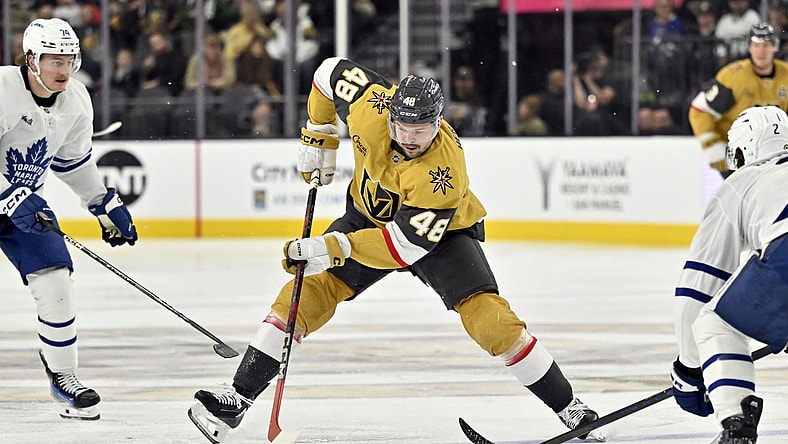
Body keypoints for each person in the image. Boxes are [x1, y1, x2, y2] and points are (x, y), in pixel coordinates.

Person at [187, 57, 605, 443]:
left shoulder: (442, 173)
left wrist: (331, 246)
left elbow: (403, 246)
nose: (409, 138)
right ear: (389, 114)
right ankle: (238, 397)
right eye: (402, 128)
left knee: (491, 323)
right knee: (306, 291)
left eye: (421, 130)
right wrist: (319, 132)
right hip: (368, 216)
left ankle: (571, 408)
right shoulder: (372, 105)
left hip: (440, 236)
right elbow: (328, 72)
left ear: (438, 123)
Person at [0, 18, 138, 420]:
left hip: (23, 207)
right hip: (16, 199)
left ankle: (64, 377)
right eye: (54, 60)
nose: (64, 69)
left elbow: (71, 162)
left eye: (70, 60)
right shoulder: (3, 89)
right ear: (30, 59)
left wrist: (102, 202)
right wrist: (10, 194)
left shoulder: (76, 99)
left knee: (57, 279)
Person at [670, 105, 788, 444]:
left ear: (746, 148)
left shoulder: (739, 183)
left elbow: (698, 287)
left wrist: (691, 370)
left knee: (714, 323)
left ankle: (737, 422)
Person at [689, 22, 788, 178]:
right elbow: (699, 110)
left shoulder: (786, 74)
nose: (761, 51)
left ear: (775, 47)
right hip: (738, 155)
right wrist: (714, 149)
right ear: (749, 47)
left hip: (772, 153)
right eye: (756, 45)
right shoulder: (733, 77)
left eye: (767, 45)